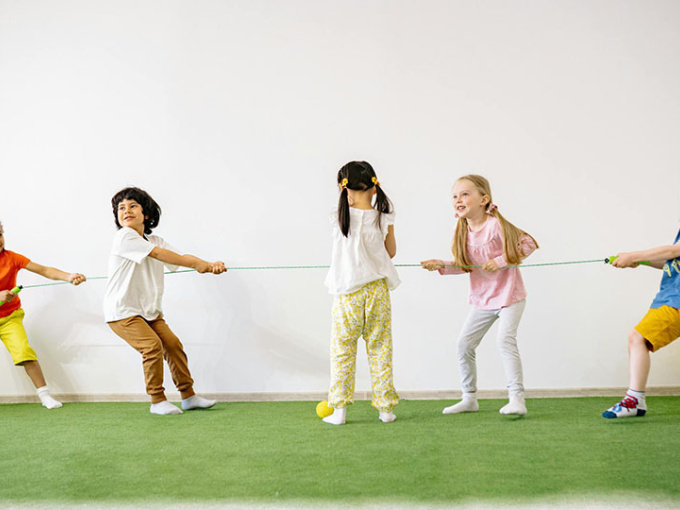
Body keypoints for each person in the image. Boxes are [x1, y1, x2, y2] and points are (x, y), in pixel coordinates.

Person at [103, 187, 226, 415]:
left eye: (133, 206)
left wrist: (208, 265)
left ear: (146, 214)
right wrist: (200, 265)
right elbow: (159, 255)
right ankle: (157, 401)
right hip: (122, 311)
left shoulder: (154, 239)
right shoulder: (124, 237)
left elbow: (177, 259)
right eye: (121, 208)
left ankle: (188, 396)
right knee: (152, 347)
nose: (126, 210)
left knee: (172, 344)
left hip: (149, 311)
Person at [421, 175, 538, 416]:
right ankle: (469, 398)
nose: (458, 199)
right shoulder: (462, 229)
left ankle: (517, 399)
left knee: (504, 341)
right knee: (464, 344)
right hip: (483, 300)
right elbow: (465, 266)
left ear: (484, 199)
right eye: (454, 196)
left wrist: (501, 260)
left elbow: (529, 244)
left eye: (465, 194)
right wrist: (440, 264)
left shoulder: (495, 225)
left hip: (509, 297)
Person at [322, 161, 400, 425]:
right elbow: (390, 253)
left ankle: (340, 411)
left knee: (343, 350)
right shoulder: (383, 215)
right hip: (377, 291)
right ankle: (386, 410)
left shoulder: (339, 217)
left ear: (344, 189)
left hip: (348, 295)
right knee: (380, 349)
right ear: (374, 187)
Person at [0, 220, 86, 409]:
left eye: (0, 234)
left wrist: (68, 276)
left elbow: (45, 270)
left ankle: (45, 396)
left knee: (24, 352)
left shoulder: (12, 257)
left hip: (9, 318)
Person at [602, 231, 680, 419]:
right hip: (668, 297)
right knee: (638, 339)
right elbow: (671, 261)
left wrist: (634, 256)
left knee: (637, 337)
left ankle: (634, 400)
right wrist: (639, 261)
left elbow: (674, 251)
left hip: (675, 300)